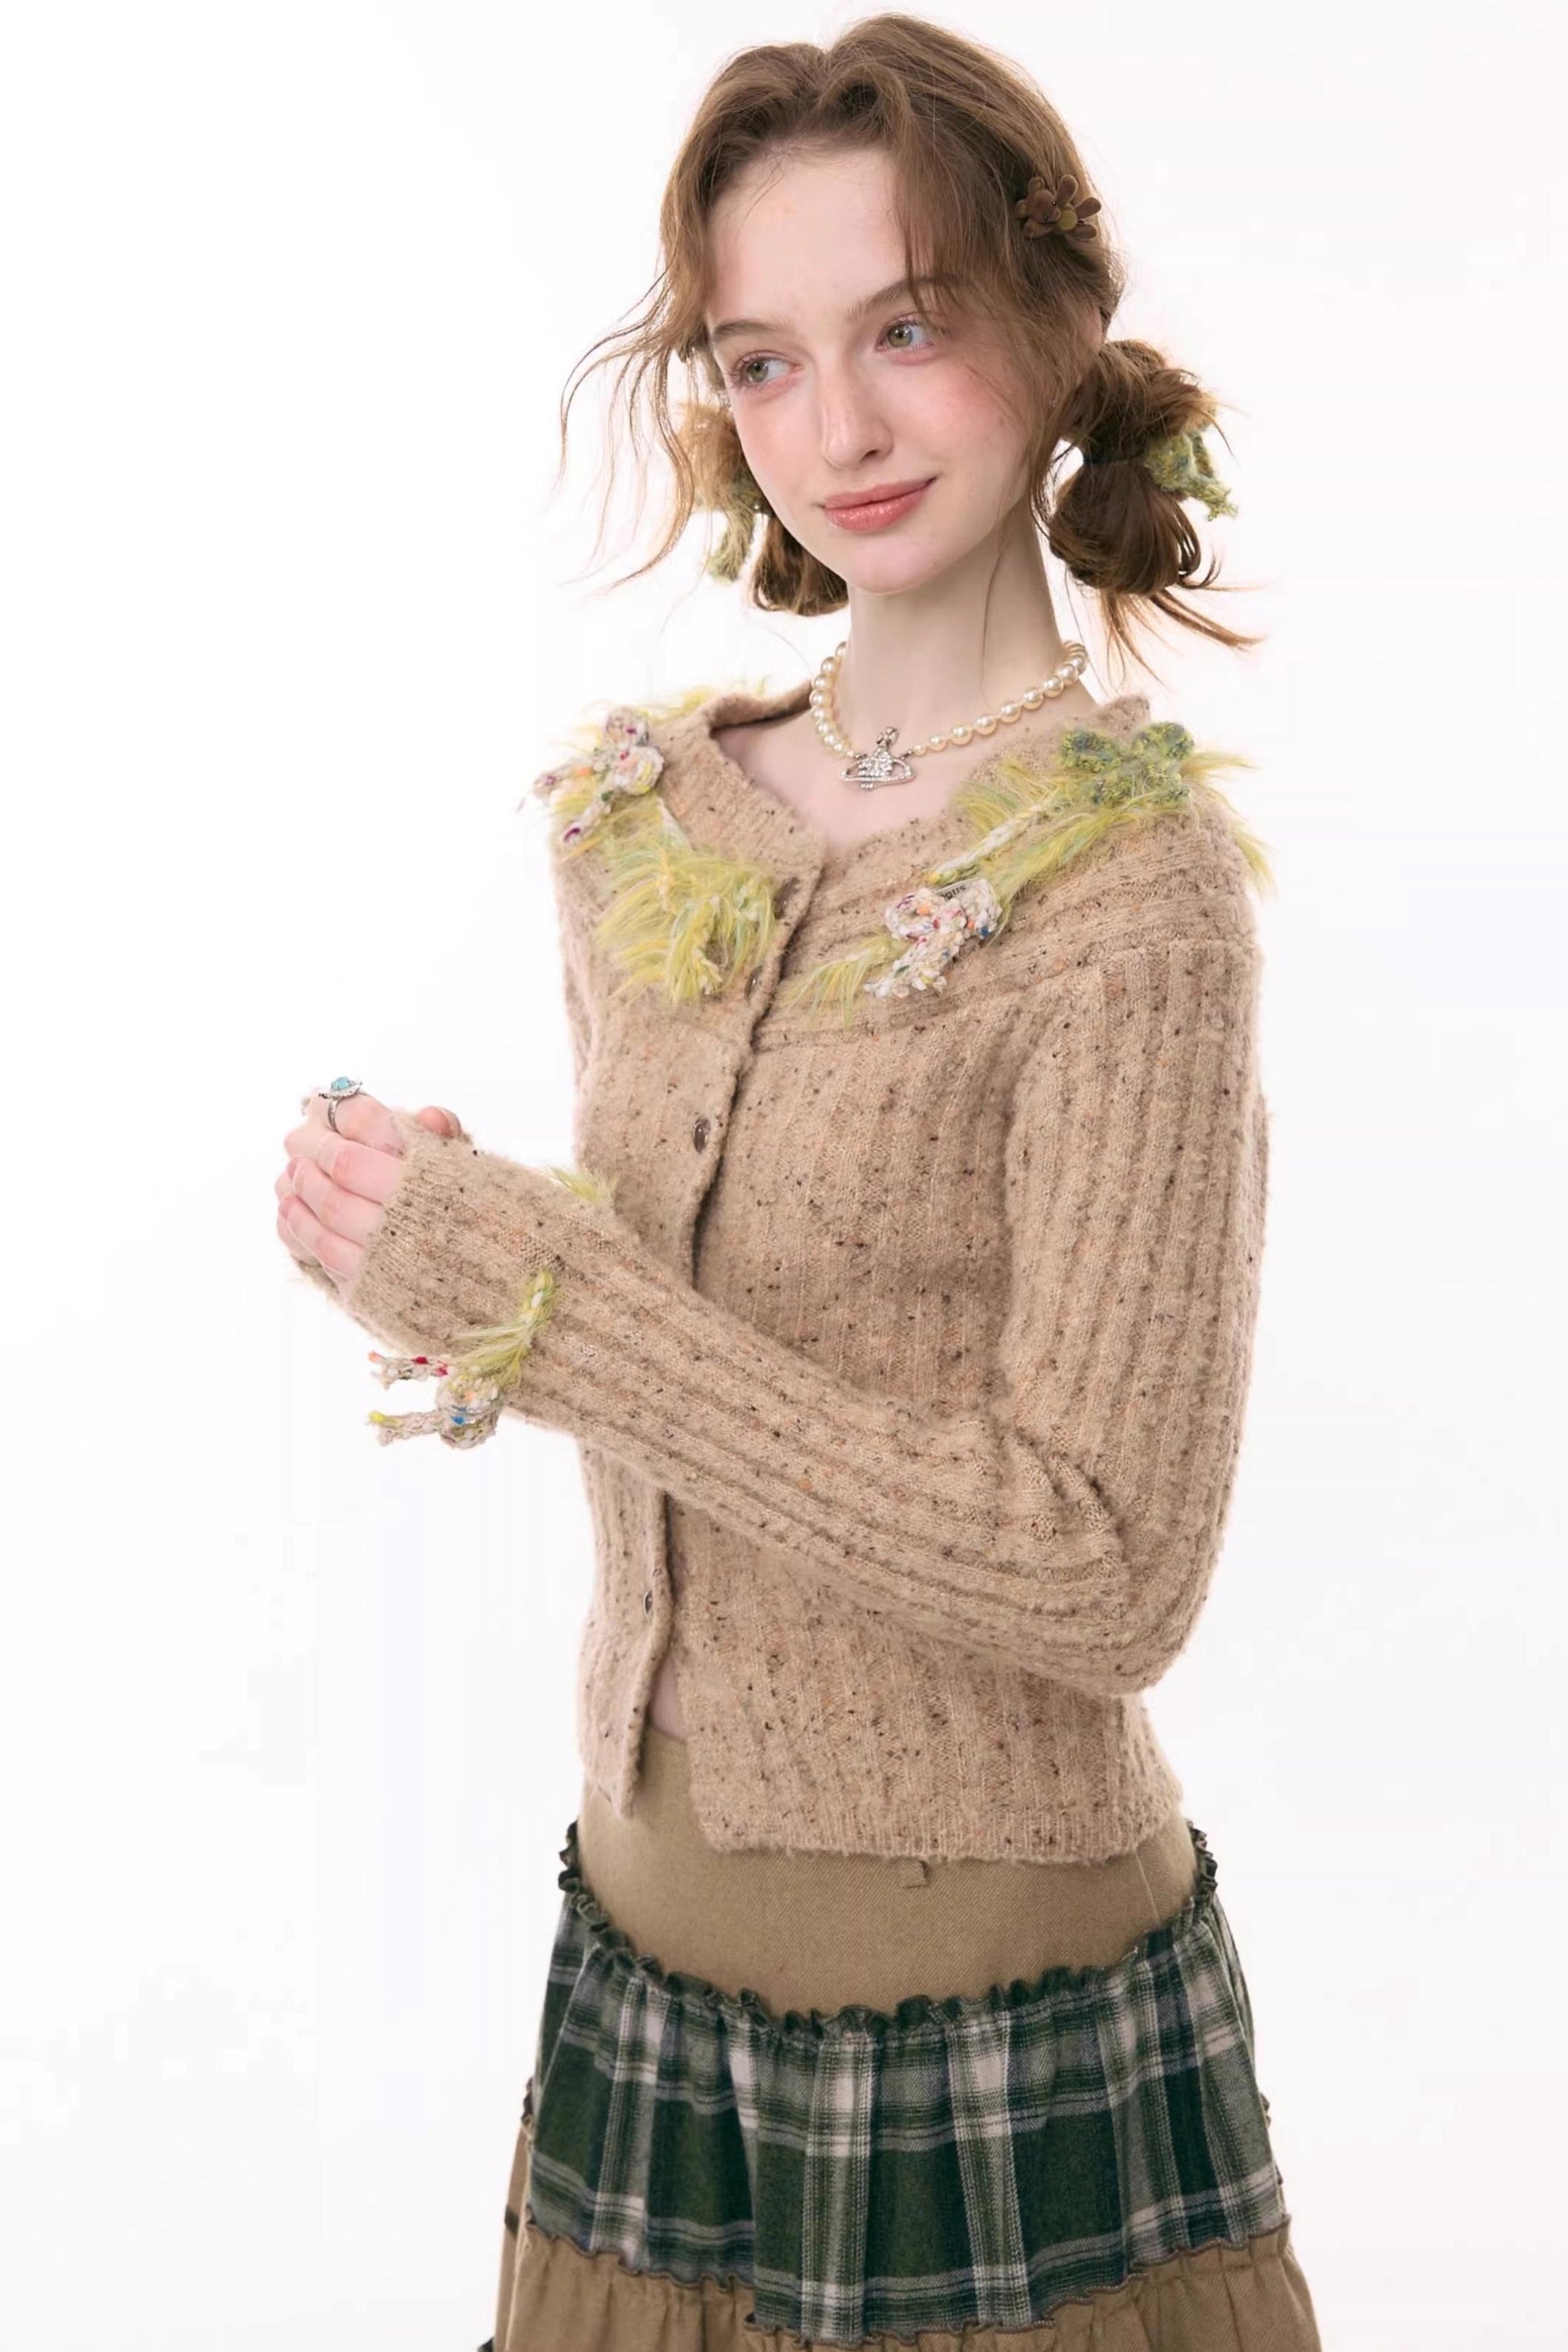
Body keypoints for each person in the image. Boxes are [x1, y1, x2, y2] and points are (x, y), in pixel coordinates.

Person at [276, 14, 1323, 2346]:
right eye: (762, 359)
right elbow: (704, 1319)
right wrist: (446, 1243)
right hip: (638, 1977)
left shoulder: (1129, 897)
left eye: (907, 329)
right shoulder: (641, 814)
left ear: (1056, 321)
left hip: (994, 2037)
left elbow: (1107, 1566)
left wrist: (547, 1311)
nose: (835, 427)